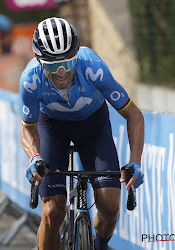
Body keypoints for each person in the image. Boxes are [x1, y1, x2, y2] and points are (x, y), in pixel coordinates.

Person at [20, 17, 144, 250]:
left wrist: (135, 161)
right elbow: (28, 128)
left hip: (93, 126)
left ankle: (99, 245)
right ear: (38, 61)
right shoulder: (30, 80)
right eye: (51, 64)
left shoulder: (93, 68)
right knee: (52, 211)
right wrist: (34, 156)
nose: (60, 73)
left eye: (67, 62)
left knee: (110, 206)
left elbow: (134, 115)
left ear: (76, 56)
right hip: (52, 128)